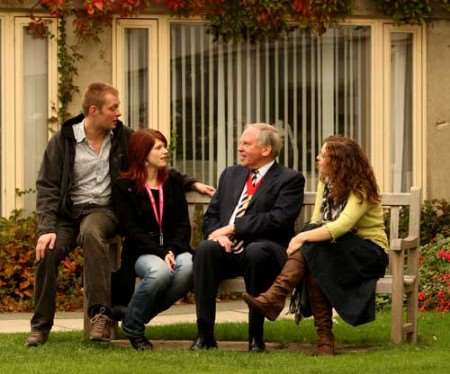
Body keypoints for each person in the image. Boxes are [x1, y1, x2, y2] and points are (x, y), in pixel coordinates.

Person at [26, 82, 214, 347]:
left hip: (102, 211)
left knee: (92, 233)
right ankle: (40, 327)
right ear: (94, 110)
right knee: (46, 250)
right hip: (67, 216)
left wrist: (190, 182)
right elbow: (47, 186)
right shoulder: (64, 140)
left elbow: (150, 157)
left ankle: (100, 315)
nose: (118, 113)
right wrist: (46, 229)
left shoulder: (123, 137)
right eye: (113, 108)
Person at [243, 135, 389, 355]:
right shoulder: (326, 180)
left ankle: (277, 297)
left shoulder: (362, 187)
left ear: (338, 161)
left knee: (312, 244)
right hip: (335, 248)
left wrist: (301, 238)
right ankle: (323, 340)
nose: (318, 158)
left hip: (368, 251)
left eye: (323, 155)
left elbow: (342, 225)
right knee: (314, 256)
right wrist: (306, 236)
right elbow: (317, 219)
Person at [191, 123, 305, 352]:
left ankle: (256, 337)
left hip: (265, 249)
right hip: (228, 249)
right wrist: (217, 236)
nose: (239, 148)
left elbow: (278, 219)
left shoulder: (289, 179)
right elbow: (212, 215)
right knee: (205, 249)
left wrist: (233, 228)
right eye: (240, 143)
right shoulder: (231, 174)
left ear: (266, 150)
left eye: (246, 143)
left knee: (256, 252)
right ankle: (205, 336)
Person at [112, 129, 193, 351]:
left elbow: (183, 226)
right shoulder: (124, 187)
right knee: (160, 271)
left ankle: (131, 319)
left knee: (188, 267)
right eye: (158, 147)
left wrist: (171, 250)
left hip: (174, 249)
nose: (165, 151)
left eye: (165, 146)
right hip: (141, 251)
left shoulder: (173, 182)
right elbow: (131, 230)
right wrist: (161, 252)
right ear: (142, 153)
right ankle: (136, 329)